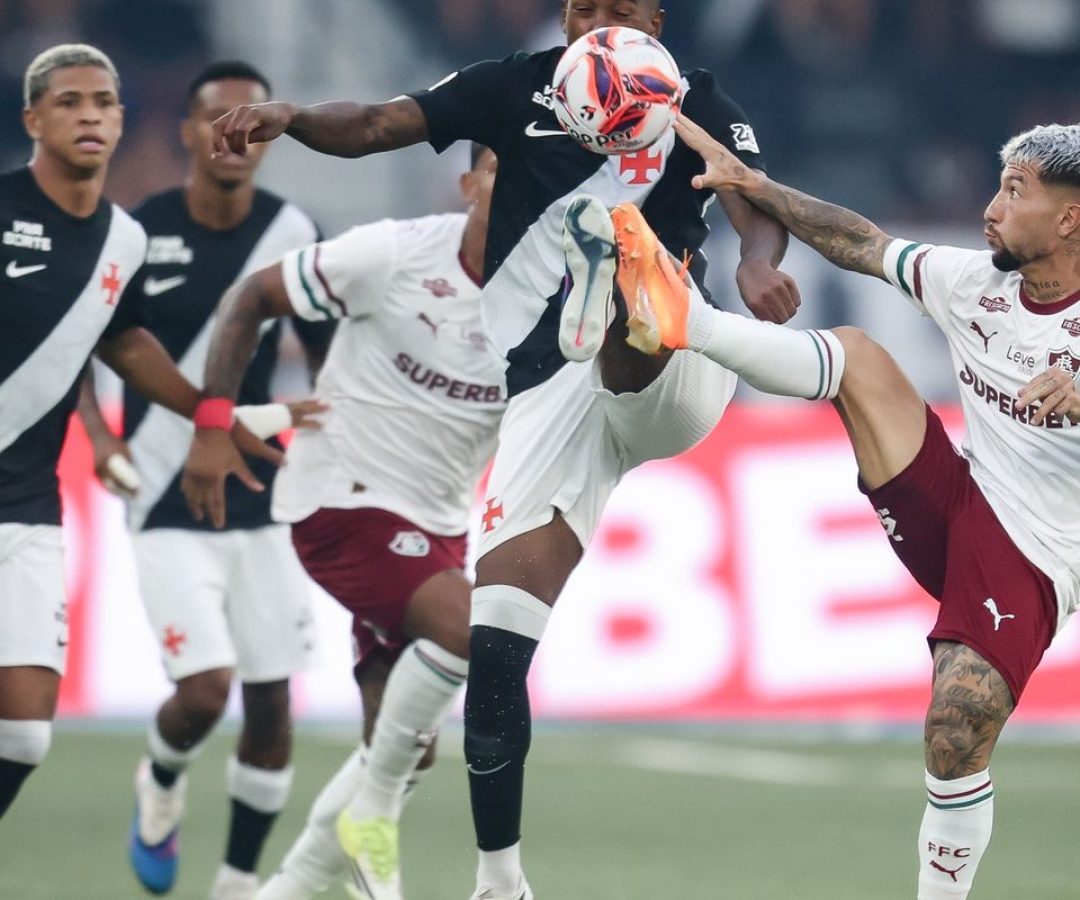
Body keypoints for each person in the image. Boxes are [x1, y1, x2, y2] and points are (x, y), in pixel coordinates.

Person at [184, 3, 803, 897]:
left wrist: (755, 260)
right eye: (583, 8)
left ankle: (625, 274)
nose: (598, 22)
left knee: (649, 308)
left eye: (618, 10)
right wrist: (292, 118)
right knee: (497, 639)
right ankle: (498, 879)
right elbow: (375, 124)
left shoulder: (697, 97)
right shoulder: (515, 87)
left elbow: (748, 199)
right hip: (547, 393)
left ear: (655, 19)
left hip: (674, 364)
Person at [626, 114, 1079, 899]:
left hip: (1035, 553)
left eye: (1015, 192)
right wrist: (758, 188)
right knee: (859, 358)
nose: (991, 209)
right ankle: (688, 322)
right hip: (957, 496)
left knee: (954, 730)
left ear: (1069, 218)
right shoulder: (975, 283)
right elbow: (862, 242)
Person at [184, 144, 502, 900]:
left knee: (399, 745)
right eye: (502, 168)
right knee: (469, 633)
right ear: (468, 184)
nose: (522, 185)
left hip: (437, 524)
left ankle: (286, 890)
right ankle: (374, 840)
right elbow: (251, 298)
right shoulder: (392, 253)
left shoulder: (553, 297)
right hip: (341, 500)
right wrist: (211, 424)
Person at [77, 61, 334, 900]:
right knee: (202, 694)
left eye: (251, 117)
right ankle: (160, 775)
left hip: (262, 492)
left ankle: (235, 883)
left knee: (269, 705)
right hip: (161, 489)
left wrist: (338, 429)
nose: (234, 132)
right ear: (188, 133)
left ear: (271, 132)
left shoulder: (297, 229)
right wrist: (97, 436)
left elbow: (333, 349)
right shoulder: (135, 232)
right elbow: (74, 339)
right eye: (214, 117)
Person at [0, 45, 273, 825]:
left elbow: (122, 342)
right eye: (68, 101)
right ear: (33, 119)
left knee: (21, 734)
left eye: (103, 101)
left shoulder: (124, 240)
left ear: (121, 120)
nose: (88, 114)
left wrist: (212, 413)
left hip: (25, 507)